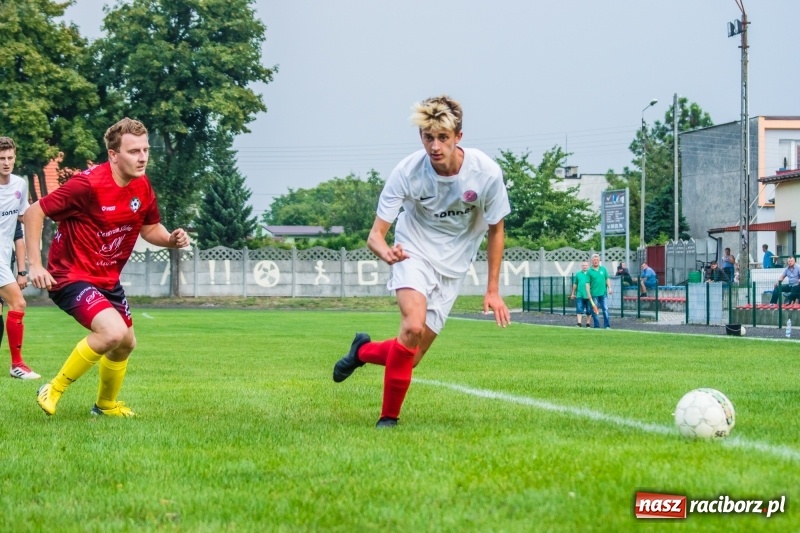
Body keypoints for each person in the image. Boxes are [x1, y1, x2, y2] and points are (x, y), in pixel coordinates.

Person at [331, 95, 511, 428]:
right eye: (429, 137)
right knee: (411, 326)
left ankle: (362, 352)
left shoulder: (485, 173)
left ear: (459, 136)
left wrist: (493, 289)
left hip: (453, 269)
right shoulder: (408, 171)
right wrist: (387, 253)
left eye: (443, 137)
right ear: (421, 137)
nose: (435, 145)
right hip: (412, 251)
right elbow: (375, 235)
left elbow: (496, 229)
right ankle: (389, 419)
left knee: (409, 359)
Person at [26, 118, 190, 417]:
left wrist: (170, 240)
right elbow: (34, 212)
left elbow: (150, 228)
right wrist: (35, 265)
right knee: (112, 332)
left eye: (145, 150)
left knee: (126, 343)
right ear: (113, 155)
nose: (142, 158)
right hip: (70, 276)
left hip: (107, 280)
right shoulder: (87, 184)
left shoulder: (142, 184)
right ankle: (53, 388)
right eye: (133, 151)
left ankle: (104, 406)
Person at [0, 137, 39, 380]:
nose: (6, 163)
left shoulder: (20, 184)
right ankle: (17, 365)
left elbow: (21, 224)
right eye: (1, 158)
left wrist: (22, 268)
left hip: (5, 257)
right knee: (19, 304)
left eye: (9, 158)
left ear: (15, 157)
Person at [588, 253, 611, 328]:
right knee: (595, 311)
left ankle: (607, 325)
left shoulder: (603, 269)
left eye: (597, 260)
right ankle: (597, 326)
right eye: (594, 260)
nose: (596, 261)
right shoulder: (589, 271)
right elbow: (587, 284)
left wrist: (609, 288)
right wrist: (588, 293)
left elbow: (607, 279)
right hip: (594, 294)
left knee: (605, 309)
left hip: (603, 293)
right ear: (592, 261)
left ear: (599, 260)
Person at [569, 261, 595, 327]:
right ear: (581, 266)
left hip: (589, 295)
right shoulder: (578, 274)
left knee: (589, 310)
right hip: (579, 295)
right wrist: (573, 293)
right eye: (583, 265)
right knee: (579, 309)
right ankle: (579, 323)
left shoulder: (591, 274)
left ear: (588, 266)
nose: (585, 266)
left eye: (586, 265)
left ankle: (588, 323)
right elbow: (575, 284)